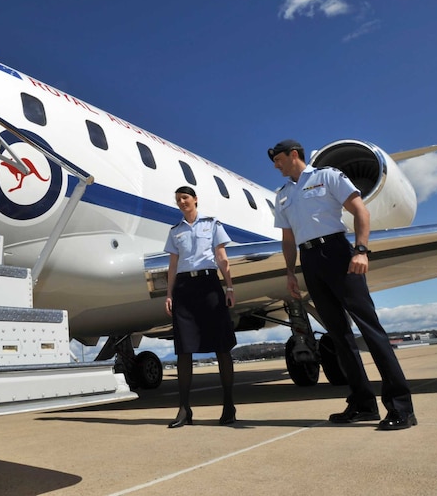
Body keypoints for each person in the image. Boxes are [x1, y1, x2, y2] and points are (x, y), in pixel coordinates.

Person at [267, 139, 417, 431]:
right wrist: (290, 272)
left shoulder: (328, 176)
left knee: (370, 329)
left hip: (337, 253)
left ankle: (401, 406)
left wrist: (361, 250)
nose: (276, 165)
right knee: (338, 335)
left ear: (293, 154)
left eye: (278, 159)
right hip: (309, 260)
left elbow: (361, 211)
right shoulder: (283, 194)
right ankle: (362, 403)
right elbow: (288, 238)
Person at [164, 186, 237, 428]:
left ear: (195, 199)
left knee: (222, 346)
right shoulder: (175, 232)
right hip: (184, 289)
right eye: (178, 200)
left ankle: (229, 406)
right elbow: (172, 265)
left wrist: (229, 287)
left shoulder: (212, 224)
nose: (182, 202)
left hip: (209, 285)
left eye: (185, 198)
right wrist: (169, 294)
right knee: (183, 349)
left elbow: (222, 257)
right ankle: (184, 409)